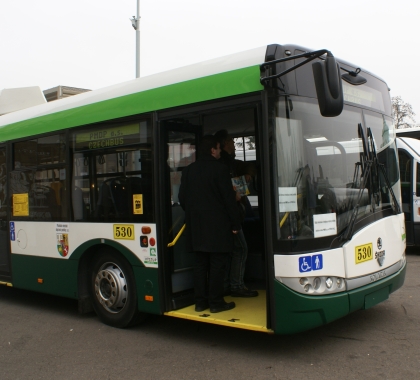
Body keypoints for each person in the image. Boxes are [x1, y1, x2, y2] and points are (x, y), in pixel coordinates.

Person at [178, 135, 242, 313]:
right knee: (217, 265)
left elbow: (182, 198)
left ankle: (200, 302)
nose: (220, 151)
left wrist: (193, 214)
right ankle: (216, 302)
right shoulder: (220, 169)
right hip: (217, 227)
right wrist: (235, 224)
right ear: (213, 150)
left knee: (200, 265)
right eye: (219, 148)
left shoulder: (188, 171)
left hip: (196, 226)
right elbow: (228, 200)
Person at [214, 129, 258, 298]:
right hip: (229, 215)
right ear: (223, 145)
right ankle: (236, 285)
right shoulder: (221, 165)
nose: (234, 144)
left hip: (230, 214)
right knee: (241, 248)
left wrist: (248, 174)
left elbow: (249, 166)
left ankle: (227, 285)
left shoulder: (231, 163)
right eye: (232, 142)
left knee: (230, 251)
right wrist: (235, 196)